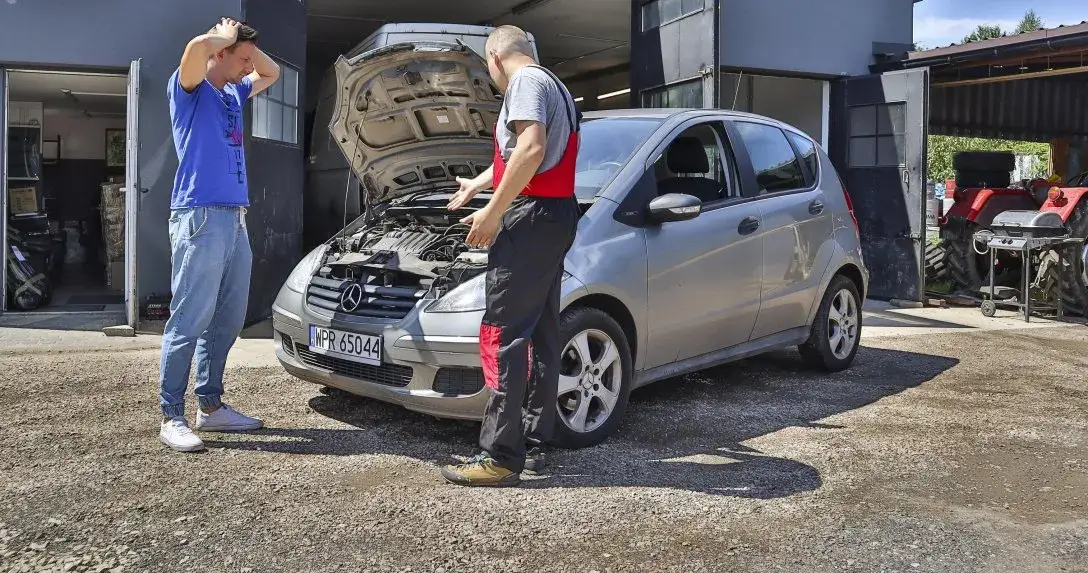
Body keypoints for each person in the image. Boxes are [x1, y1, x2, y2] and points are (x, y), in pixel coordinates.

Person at [440, 25, 581, 487]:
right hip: (554, 214)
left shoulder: (524, 82)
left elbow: (532, 147)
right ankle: (535, 442)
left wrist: (493, 212)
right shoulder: (553, 84)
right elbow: (523, 153)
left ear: (495, 58)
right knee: (541, 330)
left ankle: (500, 455)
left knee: (502, 333)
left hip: (530, 217)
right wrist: (479, 184)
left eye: (489, 68)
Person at [157, 17, 280, 452]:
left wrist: (246, 43)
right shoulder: (189, 88)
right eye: (241, 58)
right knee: (189, 318)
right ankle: (171, 414)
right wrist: (221, 38)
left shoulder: (233, 92)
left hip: (235, 218)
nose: (249, 67)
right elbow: (195, 51)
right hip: (200, 216)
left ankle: (210, 407)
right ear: (220, 53)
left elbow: (271, 73)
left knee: (227, 319)